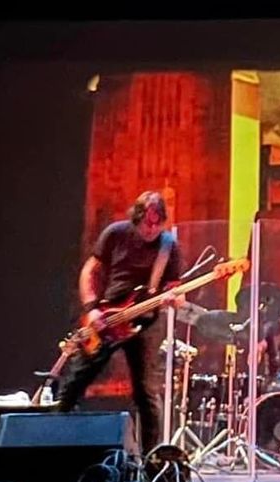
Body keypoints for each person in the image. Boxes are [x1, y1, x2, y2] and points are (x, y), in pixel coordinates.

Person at [53, 190, 183, 451]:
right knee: (75, 380)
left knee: (146, 393)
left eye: (157, 224)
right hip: (108, 317)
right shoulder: (115, 233)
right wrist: (91, 308)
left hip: (145, 323)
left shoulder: (168, 246)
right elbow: (90, 271)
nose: (152, 229)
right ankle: (54, 445)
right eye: (147, 223)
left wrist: (173, 298)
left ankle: (150, 460)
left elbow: (175, 289)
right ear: (136, 219)